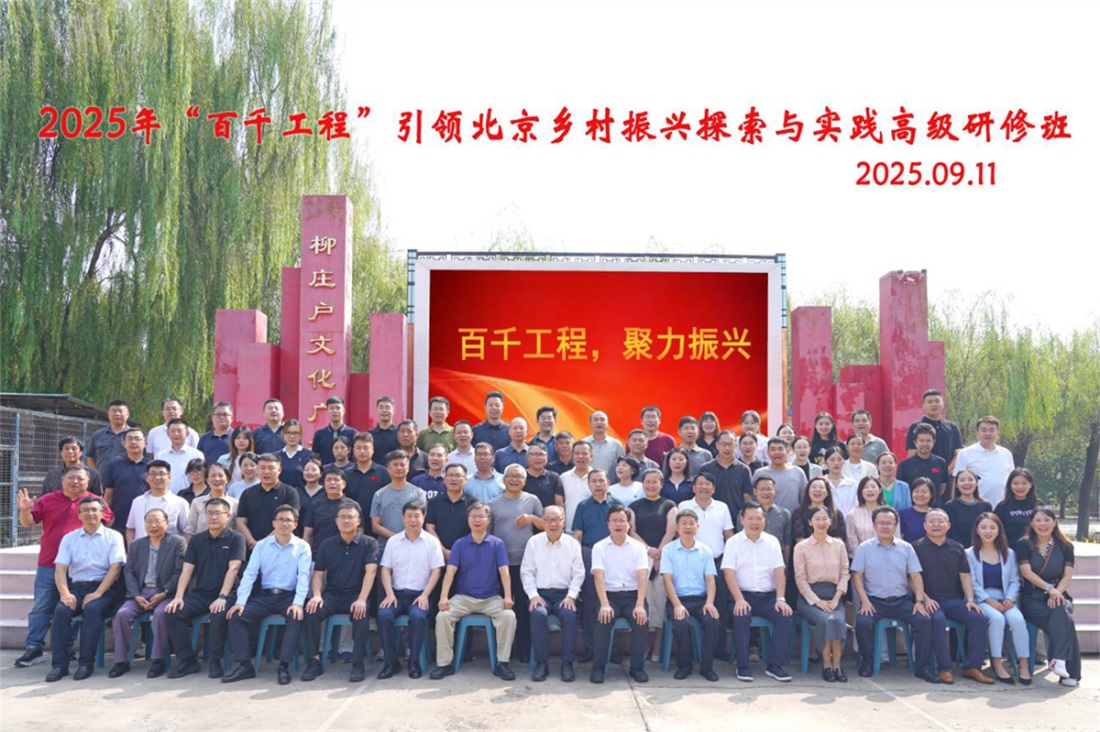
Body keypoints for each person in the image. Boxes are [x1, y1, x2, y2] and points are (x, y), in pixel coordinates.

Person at [13, 466, 113, 668]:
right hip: (49, 563)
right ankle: (34, 647)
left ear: (88, 482)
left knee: (72, 606)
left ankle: (67, 646)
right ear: (62, 480)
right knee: (42, 606)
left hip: (80, 568)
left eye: (80, 478)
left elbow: (107, 523)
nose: (75, 481)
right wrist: (24, 510)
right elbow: (29, 522)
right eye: (71, 478)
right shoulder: (48, 499)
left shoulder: (94, 502)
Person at [223, 505, 311, 685]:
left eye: (288, 520)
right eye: (280, 520)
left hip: (289, 596)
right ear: (273, 523)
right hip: (265, 597)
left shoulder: (302, 547)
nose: (284, 523)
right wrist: (241, 602)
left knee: (296, 617)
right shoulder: (262, 546)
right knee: (236, 616)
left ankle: (283, 666)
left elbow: (303, 577)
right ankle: (245, 666)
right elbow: (250, 574)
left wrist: (298, 603)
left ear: (295, 524)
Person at [429, 502, 517, 681]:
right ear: (468, 519)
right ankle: (444, 664)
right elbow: (450, 572)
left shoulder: (497, 544)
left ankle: (502, 663)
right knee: (443, 616)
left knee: (508, 616)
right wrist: (444, 597)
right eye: (473, 516)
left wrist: (508, 596)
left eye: (481, 516)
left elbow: (504, 572)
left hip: (491, 598)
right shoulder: (460, 544)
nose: (477, 520)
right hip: (464, 598)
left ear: (488, 519)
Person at [851, 506, 939, 682]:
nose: (885, 526)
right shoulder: (864, 548)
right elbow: (857, 576)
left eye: (889, 523)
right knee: (863, 622)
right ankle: (866, 663)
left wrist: (919, 601)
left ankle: (922, 667)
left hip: (902, 601)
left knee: (924, 620)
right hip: (875, 602)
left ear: (896, 525)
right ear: (874, 525)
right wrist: (865, 601)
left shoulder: (906, 548)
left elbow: (915, 575)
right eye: (881, 523)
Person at [44, 496, 125, 682]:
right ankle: (59, 665)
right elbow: (60, 568)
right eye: (85, 510)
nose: (90, 513)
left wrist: (98, 593)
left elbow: (115, 567)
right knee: (61, 611)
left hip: (104, 588)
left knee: (92, 609)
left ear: (102, 513)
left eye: (94, 510)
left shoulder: (114, 537)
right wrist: (65, 593)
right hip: (76, 587)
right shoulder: (69, 538)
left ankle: (86, 664)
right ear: (78, 515)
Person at [163, 497, 245, 678]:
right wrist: (178, 597)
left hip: (228, 593)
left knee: (218, 614)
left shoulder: (236, 539)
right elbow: (187, 569)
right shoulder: (197, 540)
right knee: (173, 613)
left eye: (218, 513)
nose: (213, 517)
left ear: (228, 516)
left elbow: (233, 568)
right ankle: (188, 661)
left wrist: (222, 597)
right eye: (209, 513)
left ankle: (215, 661)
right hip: (201, 593)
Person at [300, 500, 379, 683]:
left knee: (361, 613)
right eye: (342, 517)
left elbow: (371, 572)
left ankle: (357, 663)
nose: (346, 521)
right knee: (311, 611)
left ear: (358, 521)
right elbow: (318, 574)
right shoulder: (327, 545)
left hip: (356, 594)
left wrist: (362, 599)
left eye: (350, 517)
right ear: (336, 521)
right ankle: (314, 662)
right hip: (332, 595)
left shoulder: (369, 543)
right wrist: (317, 595)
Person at [913, 509, 995, 684]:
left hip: (954, 600)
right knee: (937, 619)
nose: (936, 525)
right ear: (925, 525)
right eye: (932, 521)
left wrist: (970, 600)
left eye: (940, 521)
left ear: (948, 525)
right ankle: (945, 668)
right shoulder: (915, 548)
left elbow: (965, 576)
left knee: (978, 618)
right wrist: (924, 598)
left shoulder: (957, 548)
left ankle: (973, 667)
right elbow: (911, 578)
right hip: (930, 600)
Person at [108, 509, 185, 678]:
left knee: (161, 614)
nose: (153, 525)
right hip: (140, 593)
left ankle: (158, 660)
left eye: (157, 521)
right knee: (121, 615)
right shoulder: (136, 545)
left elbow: (179, 571)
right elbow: (128, 572)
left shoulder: (177, 542)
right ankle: (121, 661)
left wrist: (164, 592)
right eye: (149, 522)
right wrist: (136, 595)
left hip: (166, 593)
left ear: (167, 523)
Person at [722, 502, 794, 683]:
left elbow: (779, 571)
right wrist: (739, 599)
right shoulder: (733, 542)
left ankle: (775, 665)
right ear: (742, 520)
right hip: (742, 596)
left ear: (764, 519)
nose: (755, 522)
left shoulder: (772, 542)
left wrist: (781, 598)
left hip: (768, 597)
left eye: (759, 518)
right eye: (750, 518)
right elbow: (729, 573)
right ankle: (743, 666)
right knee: (741, 616)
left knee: (785, 616)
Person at [378, 501, 445, 679]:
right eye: (409, 516)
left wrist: (425, 595)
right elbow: (385, 569)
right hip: (396, 594)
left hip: (420, 595)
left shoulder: (432, 542)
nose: (413, 520)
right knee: (383, 615)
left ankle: (414, 662)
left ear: (423, 518)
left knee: (417, 617)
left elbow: (436, 571)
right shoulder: (393, 541)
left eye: (417, 516)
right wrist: (389, 593)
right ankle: (391, 663)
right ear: (403, 518)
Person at [1016, 506, 1082, 687]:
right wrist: (1049, 589)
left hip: (1060, 594)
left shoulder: (1065, 546)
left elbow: (1067, 576)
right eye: (1038, 520)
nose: (1042, 524)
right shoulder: (1024, 544)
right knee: (1066, 622)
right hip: (1033, 597)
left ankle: (1059, 659)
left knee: (1060, 609)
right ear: (1032, 523)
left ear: (1054, 522)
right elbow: (1027, 573)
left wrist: (1057, 593)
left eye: (1047, 520)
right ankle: (1069, 671)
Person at [522, 504, 585, 682]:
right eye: (548, 520)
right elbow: (527, 572)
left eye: (556, 520)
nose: (552, 524)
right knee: (538, 614)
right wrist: (533, 595)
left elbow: (578, 573)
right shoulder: (534, 542)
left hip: (564, 594)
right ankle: (542, 663)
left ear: (563, 521)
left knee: (569, 616)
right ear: (542, 522)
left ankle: (567, 663)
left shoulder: (572, 544)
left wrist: (571, 596)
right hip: (540, 593)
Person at [589, 504, 650, 684]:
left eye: (622, 520)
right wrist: (604, 604)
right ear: (608, 524)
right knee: (603, 620)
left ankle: (637, 668)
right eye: (614, 521)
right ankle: (598, 667)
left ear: (629, 524)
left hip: (633, 596)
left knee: (641, 621)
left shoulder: (639, 547)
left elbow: (642, 576)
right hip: (609, 596)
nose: (618, 524)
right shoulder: (599, 547)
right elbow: (598, 576)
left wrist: (640, 605)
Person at [489, 464, 545, 662]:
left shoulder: (532, 500)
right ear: (504, 480)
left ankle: (523, 650)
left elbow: (546, 526)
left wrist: (532, 519)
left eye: (519, 476)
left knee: (523, 607)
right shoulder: (493, 503)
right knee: (502, 608)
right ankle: (504, 651)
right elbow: (488, 535)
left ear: (525, 480)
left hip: (526, 564)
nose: (514, 480)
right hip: (501, 564)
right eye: (510, 476)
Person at [968, 512, 1030, 684]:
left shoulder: (1009, 553)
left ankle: (1023, 664)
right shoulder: (969, 554)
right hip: (983, 599)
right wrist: (989, 601)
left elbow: (1015, 579)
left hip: (1005, 598)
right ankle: (996, 662)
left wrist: (1010, 598)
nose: (988, 531)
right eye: (983, 527)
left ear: (999, 530)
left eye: (992, 527)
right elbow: (972, 582)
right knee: (997, 619)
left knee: (1017, 620)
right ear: (977, 530)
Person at [661, 509, 722, 681]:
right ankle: (684, 666)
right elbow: (667, 580)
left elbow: (710, 579)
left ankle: (707, 667)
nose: (688, 527)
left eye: (691, 523)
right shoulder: (669, 550)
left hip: (701, 600)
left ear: (697, 526)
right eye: (684, 523)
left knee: (712, 621)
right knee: (682, 624)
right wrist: (677, 605)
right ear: (677, 527)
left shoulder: (705, 550)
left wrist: (709, 602)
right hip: (677, 599)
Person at [793, 506, 850, 682]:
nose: (821, 522)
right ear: (810, 522)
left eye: (825, 518)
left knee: (837, 620)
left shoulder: (839, 545)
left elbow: (844, 573)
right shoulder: (801, 547)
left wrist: (836, 598)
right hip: (809, 598)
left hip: (834, 596)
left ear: (830, 521)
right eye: (817, 519)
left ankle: (837, 665)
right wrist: (817, 602)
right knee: (827, 620)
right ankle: (826, 664)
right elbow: (800, 579)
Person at [628, 469, 677, 661]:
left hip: (663, 559)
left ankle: (657, 647)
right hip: (641, 557)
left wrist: (658, 555)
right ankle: (644, 645)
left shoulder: (669, 505)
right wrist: (649, 551)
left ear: (661, 484)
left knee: (659, 603)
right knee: (644, 600)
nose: (650, 485)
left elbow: (670, 532)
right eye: (647, 482)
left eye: (654, 482)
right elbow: (632, 532)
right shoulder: (634, 506)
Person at [573, 468, 622, 660]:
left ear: (608, 482)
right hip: (589, 553)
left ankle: (612, 650)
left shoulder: (617, 505)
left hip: (614, 554)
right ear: (589, 484)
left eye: (601, 480)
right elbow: (578, 535)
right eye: (594, 481)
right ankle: (591, 648)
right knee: (590, 601)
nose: (598, 484)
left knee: (613, 600)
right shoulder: (583, 506)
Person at [235, 453, 301, 549]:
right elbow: (240, 522)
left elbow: (290, 521)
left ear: (279, 470)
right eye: (262, 468)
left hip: (280, 546)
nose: (266, 472)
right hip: (251, 547)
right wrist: (252, 542)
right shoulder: (247, 493)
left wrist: (263, 543)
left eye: (271, 468)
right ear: (257, 470)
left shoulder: (290, 492)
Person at [953, 416, 1015, 508]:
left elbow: (1012, 480)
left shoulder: (1006, 454)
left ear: (998, 433)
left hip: (1003, 506)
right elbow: (956, 481)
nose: (988, 433)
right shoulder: (965, 453)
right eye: (984, 430)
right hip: (976, 507)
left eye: (992, 430)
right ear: (977, 433)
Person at [371, 451, 428, 551]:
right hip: (386, 548)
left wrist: (405, 540)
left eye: (402, 465)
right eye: (395, 465)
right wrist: (397, 539)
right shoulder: (379, 494)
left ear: (408, 468)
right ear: (388, 468)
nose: (399, 468)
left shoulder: (418, 493)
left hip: (412, 547)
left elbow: (421, 521)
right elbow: (375, 526)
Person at [126, 460, 189, 542]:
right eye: (153, 474)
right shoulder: (137, 502)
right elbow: (131, 528)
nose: (157, 478)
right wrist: (131, 548)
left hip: (169, 549)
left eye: (161, 474)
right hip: (141, 549)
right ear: (146, 477)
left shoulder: (180, 503)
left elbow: (187, 532)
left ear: (169, 477)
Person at [100, 427, 148, 533]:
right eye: (129, 439)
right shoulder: (114, 465)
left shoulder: (151, 467)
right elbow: (108, 495)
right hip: (118, 520)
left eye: (137, 439)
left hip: (144, 520)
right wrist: (106, 518)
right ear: (123, 443)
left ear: (145, 443)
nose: (133, 442)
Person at [700, 430, 755, 520]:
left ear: (736, 446)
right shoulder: (706, 468)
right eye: (723, 444)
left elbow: (747, 498)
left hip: (737, 518)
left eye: (730, 444)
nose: (727, 448)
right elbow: (701, 495)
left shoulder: (744, 469)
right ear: (717, 445)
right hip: (712, 518)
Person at [906, 389, 964, 472]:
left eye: (937, 401)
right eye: (930, 402)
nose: (934, 404)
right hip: (923, 475)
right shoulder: (915, 427)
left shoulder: (952, 427)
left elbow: (958, 453)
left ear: (942, 404)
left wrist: (946, 472)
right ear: (924, 406)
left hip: (949, 475)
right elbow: (912, 453)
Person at [426, 463, 476, 559]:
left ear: (465, 480)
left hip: (466, 554)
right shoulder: (434, 502)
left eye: (458, 476)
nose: (453, 479)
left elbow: (476, 530)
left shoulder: (473, 503)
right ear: (445, 479)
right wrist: (442, 550)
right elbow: (430, 528)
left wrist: (461, 552)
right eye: (450, 475)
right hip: (439, 555)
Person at [303, 468, 359, 551]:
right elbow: (307, 533)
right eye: (328, 480)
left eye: (336, 480)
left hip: (346, 552)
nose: (332, 483)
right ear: (324, 484)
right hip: (319, 552)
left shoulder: (352, 505)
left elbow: (359, 531)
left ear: (344, 484)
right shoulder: (315, 505)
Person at [752, 437, 807, 513]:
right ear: (768, 452)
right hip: (766, 518)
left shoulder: (798, 472)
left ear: (787, 451)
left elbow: (804, 499)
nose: (776, 452)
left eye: (780, 449)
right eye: (773, 449)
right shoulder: (760, 473)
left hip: (793, 518)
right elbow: (753, 499)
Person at [944, 468, 992, 548]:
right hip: (957, 549)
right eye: (962, 480)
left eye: (970, 479)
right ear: (956, 484)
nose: (966, 483)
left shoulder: (986, 505)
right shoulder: (950, 506)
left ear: (976, 482)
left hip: (981, 548)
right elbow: (949, 532)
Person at [344, 432, 391, 515]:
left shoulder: (383, 472)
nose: (362, 451)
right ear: (353, 450)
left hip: (378, 519)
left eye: (366, 448)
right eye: (358, 448)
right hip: (353, 519)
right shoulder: (346, 474)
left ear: (372, 450)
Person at [156, 418, 205, 496]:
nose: (176, 434)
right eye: (172, 431)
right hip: (165, 497)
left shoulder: (196, 455)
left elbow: (201, 479)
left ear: (187, 433)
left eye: (179, 431)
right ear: (168, 434)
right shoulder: (160, 456)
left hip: (189, 497)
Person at [792, 476, 847, 542]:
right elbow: (799, 537)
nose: (817, 490)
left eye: (821, 487)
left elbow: (839, 538)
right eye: (814, 487)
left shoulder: (836, 514)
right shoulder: (799, 512)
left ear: (827, 493)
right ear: (808, 491)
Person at [846, 477, 891, 556]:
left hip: (887, 557)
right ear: (861, 491)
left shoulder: (889, 513)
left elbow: (896, 537)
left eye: (873, 487)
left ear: (880, 490)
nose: (870, 490)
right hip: (861, 558)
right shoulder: (852, 514)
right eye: (866, 487)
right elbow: (851, 541)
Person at [995, 467, 1039, 543]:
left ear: (1031, 485)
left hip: (1034, 548)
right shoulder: (1002, 507)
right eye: (1016, 483)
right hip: (1009, 549)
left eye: (1024, 483)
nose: (1020, 487)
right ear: (1010, 485)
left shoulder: (1038, 505)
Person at [311, 396, 357, 466]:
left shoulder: (353, 433)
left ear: (344, 411)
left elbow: (356, 457)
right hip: (326, 471)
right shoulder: (319, 434)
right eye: (331, 408)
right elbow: (315, 458)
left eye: (338, 408)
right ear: (327, 411)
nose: (335, 411)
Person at [559, 440, 594, 529]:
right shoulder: (564, 477)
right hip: (568, 529)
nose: (580, 456)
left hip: (591, 529)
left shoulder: (598, 478)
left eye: (584, 453)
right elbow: (560, 503)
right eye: (577, 453)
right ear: (572, 456)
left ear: (591, 456)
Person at [87, 399, 131, 470]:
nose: (117, 414)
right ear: (108, 414)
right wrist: (96, 474)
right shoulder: (97, 435)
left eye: (120, 411)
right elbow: (90, 458)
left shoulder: (135, 436)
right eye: (114, 411)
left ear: (127, 414)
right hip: (102, 476)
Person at [523, 443, 564, 508]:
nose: (538, 458)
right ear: (527, 456)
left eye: (541, 454)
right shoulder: (521, 476)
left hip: (548, 514)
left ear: (547, 457)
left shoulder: (554, 477)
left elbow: (559, 504)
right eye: (534, 454)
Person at [277, 420, 313, 491]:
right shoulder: (276, 456)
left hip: (302, 495)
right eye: (288, 433)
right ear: (283, 434)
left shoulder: (309, 455)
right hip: (280, 495)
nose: (292, 436)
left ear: (300, 435)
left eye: (295, 433)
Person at [823, 447, 858, 515]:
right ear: (826, 462)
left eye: (839, 459)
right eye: (832, 460)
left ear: (844, 461)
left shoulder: (852, 484)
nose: (836, 463)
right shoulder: (822, 483)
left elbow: (856, 505)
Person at [899, 477, 935, 543]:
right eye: (916, 491)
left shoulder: (937, 514)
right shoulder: (902, 514)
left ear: (931, 494)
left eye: (924, 492)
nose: (920, 495)